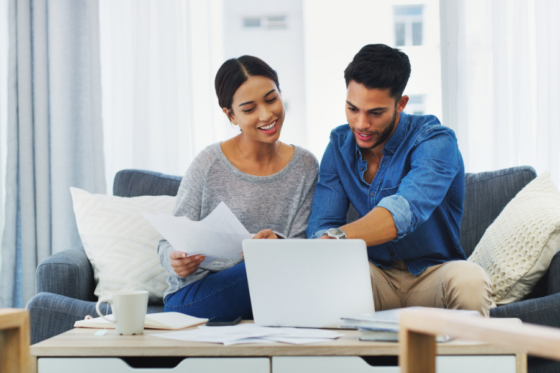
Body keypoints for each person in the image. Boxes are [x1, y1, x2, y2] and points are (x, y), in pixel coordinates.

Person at [306, 44, 493, 316]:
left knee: (470, 281)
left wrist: (337, 238)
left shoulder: (436, 140)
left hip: (433, 274)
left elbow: (404, 211)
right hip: (373, 277)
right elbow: (321, 225)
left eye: (375, 112)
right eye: (352, 108)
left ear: (401, 104)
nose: (360, 124)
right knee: (328, 275)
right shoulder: (338, 145)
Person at [158, 55, 318, 319]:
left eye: (271, 99)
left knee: (288, 266)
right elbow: (168, 243)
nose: (266, 115)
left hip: (274, 282)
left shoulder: (305, 165)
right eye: (249, 109)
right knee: (265, 268)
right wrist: (175, 260)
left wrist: (278, 244)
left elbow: (303, 245)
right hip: (195, 296)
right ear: (230, 115)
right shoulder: (209, 162)